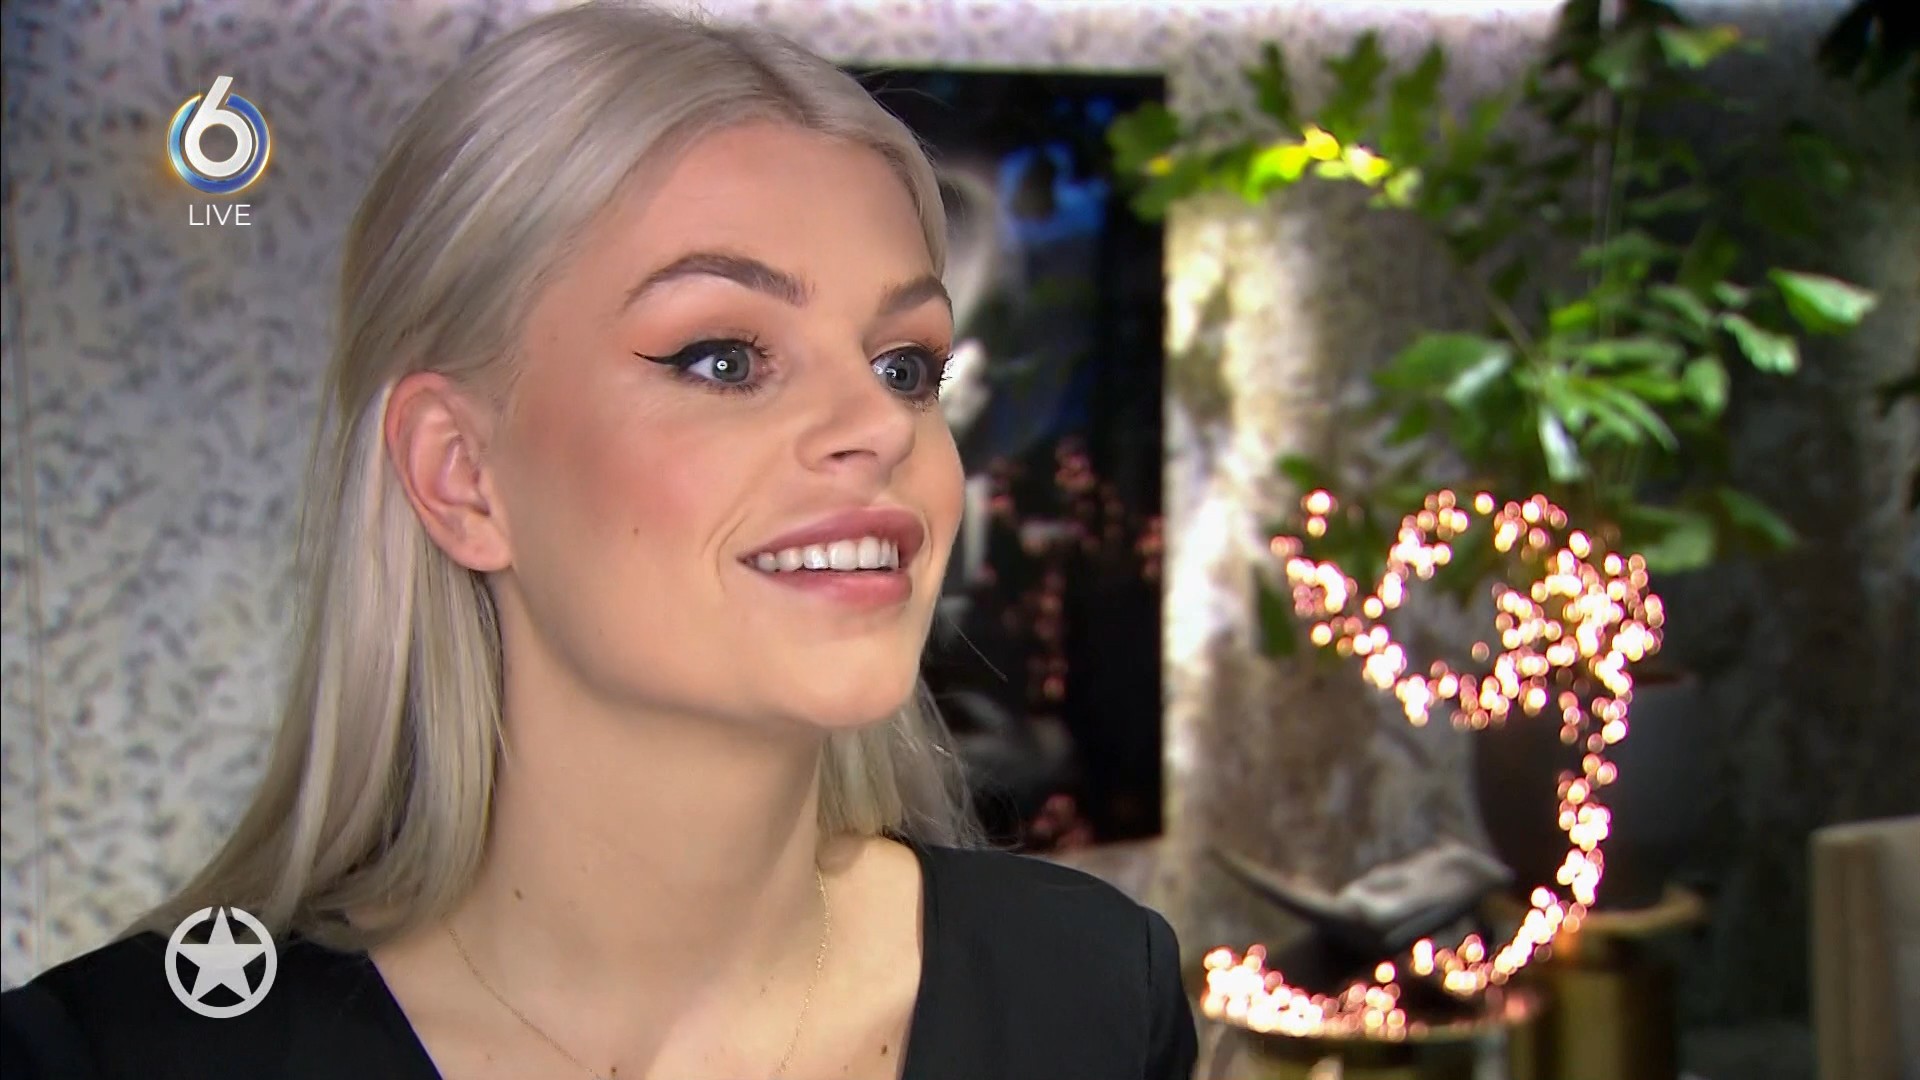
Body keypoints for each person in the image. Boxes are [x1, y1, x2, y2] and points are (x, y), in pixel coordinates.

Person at [0, 4, 1198, 1079]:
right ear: (461, 475)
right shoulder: (118, 1054)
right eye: (723, 358)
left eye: (905, 367)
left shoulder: (1090, 993)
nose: (879, 428)